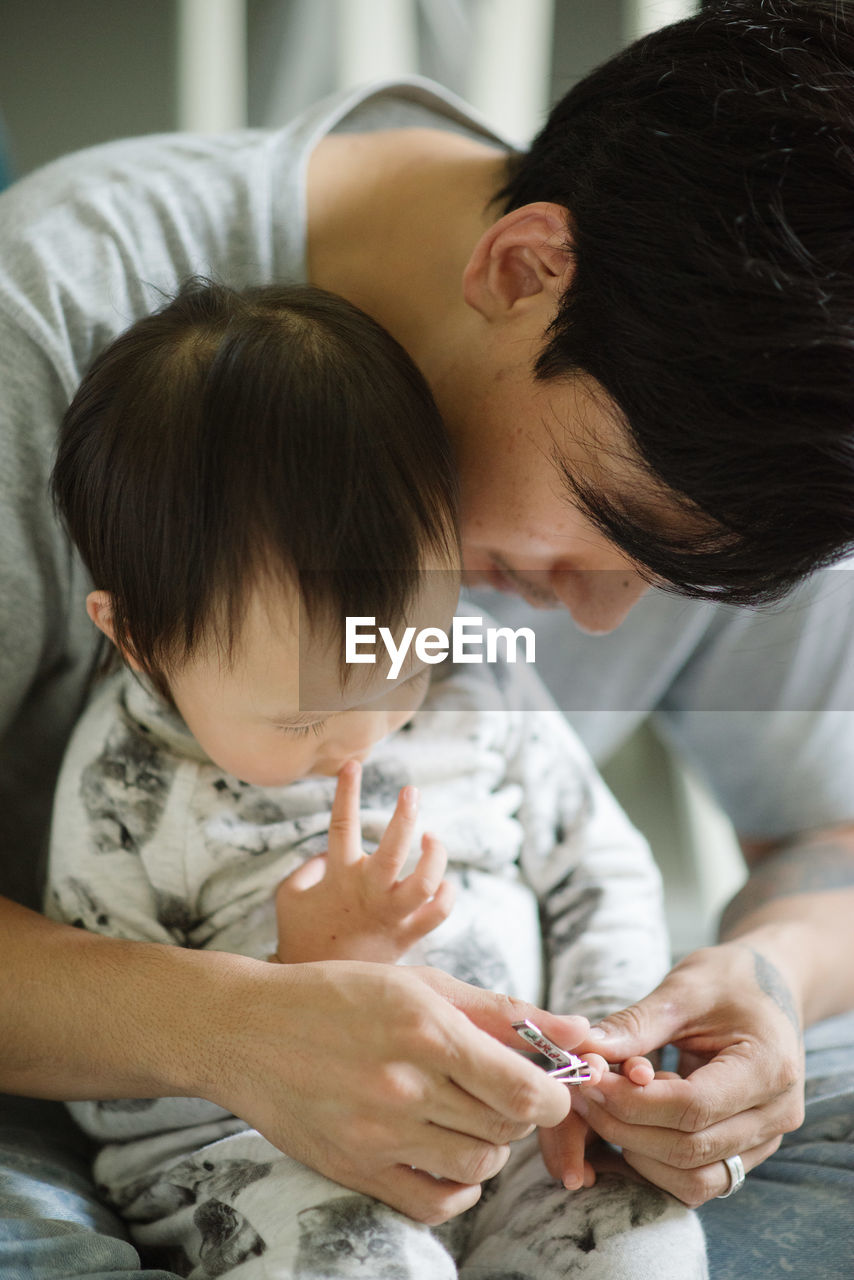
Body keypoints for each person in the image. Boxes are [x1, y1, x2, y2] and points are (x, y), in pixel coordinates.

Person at [0, 0, 852, 1274]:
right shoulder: (51, 316)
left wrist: (761, 986)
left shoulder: (776, 404)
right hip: (111, 1096)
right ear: (523, 269)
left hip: (526, 1121)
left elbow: (825, 831)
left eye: (689, 583)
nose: (607, 615)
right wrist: (239, 1028)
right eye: (610, 529)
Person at [42, 277, 705, 1277]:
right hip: (264, 1154)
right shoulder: (127, 783)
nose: (359, 733)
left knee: (639, 1236)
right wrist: (294, 981)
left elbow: (596, 868)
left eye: (400, 665)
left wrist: (616, 1046)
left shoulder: (476, 675)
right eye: (301, 714)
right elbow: (104, 1076)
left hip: (528, 1120)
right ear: (138, 639)